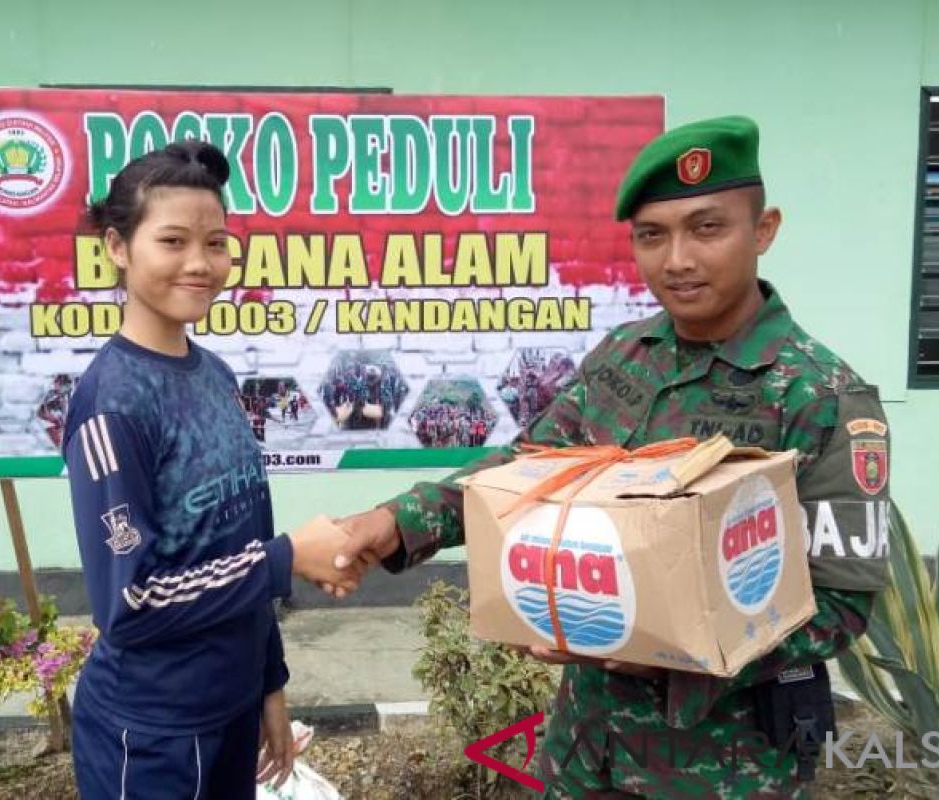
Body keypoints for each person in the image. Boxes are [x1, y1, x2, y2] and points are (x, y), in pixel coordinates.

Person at [326, 116, 891, 798]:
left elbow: (840, 605)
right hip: (583, 749)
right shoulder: (624, 355)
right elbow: (530, 465)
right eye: (652, 235)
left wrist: (652, 650)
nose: (677, 259)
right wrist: (398, 521)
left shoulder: (820, 397)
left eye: (707, 228)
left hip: (722, 768)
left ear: (763, 230)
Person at [63, 140, 360, 799]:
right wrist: (286, 560)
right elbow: (130, 603)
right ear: (118, 247)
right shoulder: (111, 403)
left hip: (231, 711)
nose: (200, 264)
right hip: (151, 736)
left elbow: (239, 545)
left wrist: (268, 686)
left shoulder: (217, 376)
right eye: (172, 241)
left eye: (217, 243)